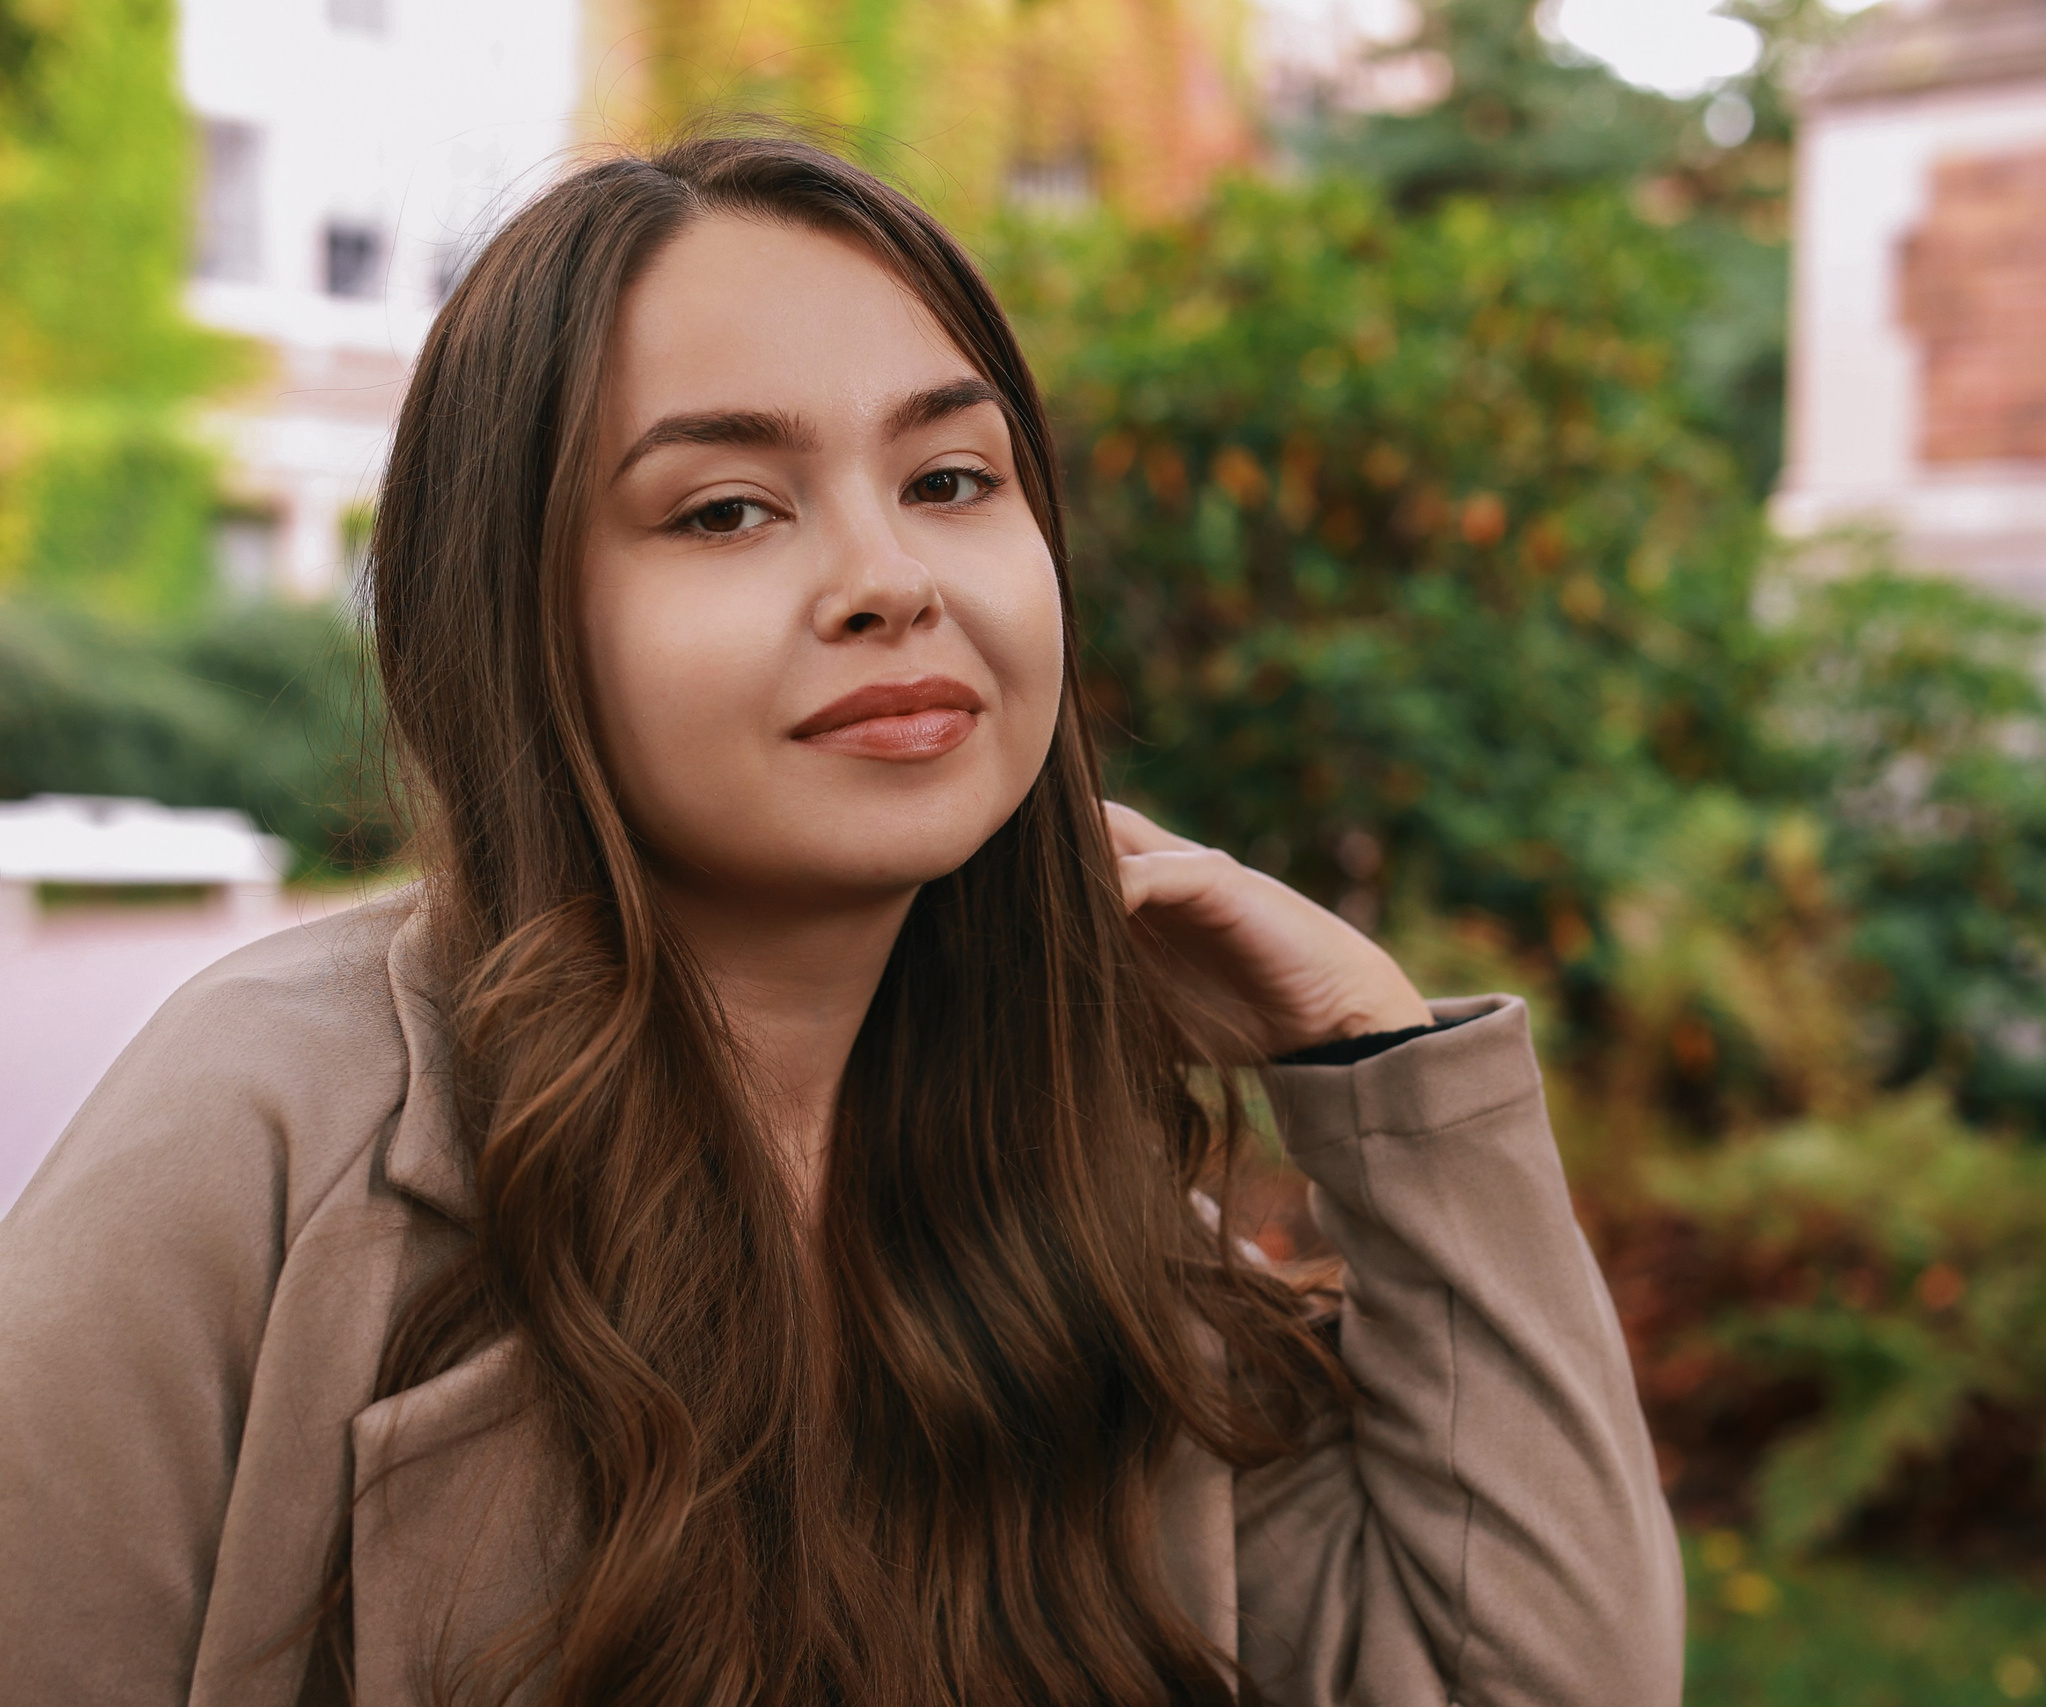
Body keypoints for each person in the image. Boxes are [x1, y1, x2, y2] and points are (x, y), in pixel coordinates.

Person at [0, 131, 1681, 1706]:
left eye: (950, 479)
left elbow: (1537, 1675)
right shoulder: (270, 1135)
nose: (891, 580)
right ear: (513, 617)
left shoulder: (1089, 1228)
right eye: (725, 508)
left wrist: (1377, 1064)